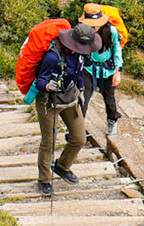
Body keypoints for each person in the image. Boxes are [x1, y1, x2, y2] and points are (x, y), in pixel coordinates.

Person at [16, 18, 90, 195]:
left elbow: (79, 72)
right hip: (49, 102)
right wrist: (48, 86)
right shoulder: (52, 56)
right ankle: (44, 180)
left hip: (71, 99)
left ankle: (62, 166)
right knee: (48, 142)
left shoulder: (79, 54)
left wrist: (81, 90)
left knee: (79, 138)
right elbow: (41, 82)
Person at [77, 3, 126, 136]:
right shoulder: (82, 31)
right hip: (88, 69)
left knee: (109, 99)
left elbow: (117, 51)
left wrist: (117, 71)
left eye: (95, 24)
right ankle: (77, 130)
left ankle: (112, 120)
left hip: (107, 70)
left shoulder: (111, 31)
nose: (94, 27)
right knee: (83, 99)